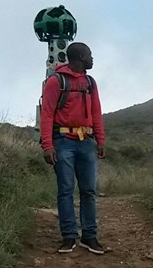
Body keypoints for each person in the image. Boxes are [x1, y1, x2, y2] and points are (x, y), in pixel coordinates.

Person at [40, 42, 106, 255]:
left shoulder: (90, 82)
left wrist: (100, 140)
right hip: (63, 142)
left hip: (86, 142)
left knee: (89, 190)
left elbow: (96, 112)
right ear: (80, 56)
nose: (92, 58)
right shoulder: (55, 81)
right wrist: (48, 146)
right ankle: (69, 237)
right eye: (90, 54)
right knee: (66, 190)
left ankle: (89, 236)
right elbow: (47, 114)